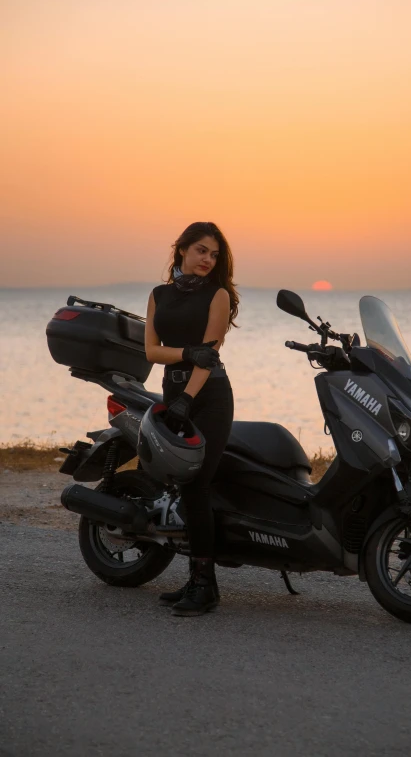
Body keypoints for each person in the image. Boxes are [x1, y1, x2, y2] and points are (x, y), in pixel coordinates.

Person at [145, 222, 238, 616]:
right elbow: (151, 351)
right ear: (181, 249)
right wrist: (185, 357)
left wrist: (187, 397)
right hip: (174, 391)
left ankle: (204, 585)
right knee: (185, 486)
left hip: (209, 396)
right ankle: (201, 581)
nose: (207, 260)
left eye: (214, 254)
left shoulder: (218, 295)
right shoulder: (158, 295)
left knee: (198, 484)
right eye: (201, 250)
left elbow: (209, 354)